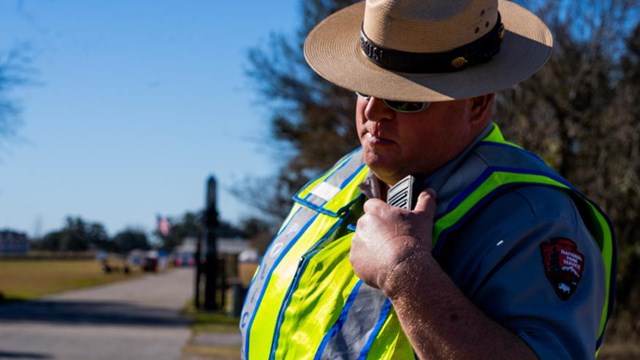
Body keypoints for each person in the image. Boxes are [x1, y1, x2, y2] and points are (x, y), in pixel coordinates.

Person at [240, 0, 616, 359]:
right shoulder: (343, 175)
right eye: (364, 87)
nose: (372, 111)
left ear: (476, 103)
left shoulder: (536, 219)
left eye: (404, 100)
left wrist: (404, 272)